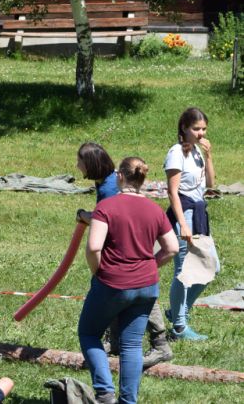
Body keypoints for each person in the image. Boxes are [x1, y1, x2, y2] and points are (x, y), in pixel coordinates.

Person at [78, 157, 179, 404]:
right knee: (132, 345)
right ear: (142, 179)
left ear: (120, 176)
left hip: (113, 284)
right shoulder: (155, 209)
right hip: (147, 286)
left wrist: (98, 271)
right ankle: (128, 401)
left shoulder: (106, 207)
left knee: (89, 333)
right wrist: (150, 265)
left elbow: (94, 247)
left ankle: (105, 394)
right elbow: (172, 248)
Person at [164, 107, 219, 341]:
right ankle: (178, 327)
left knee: (212, 267)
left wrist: (209, 156)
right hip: (184, 214)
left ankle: (178, 311)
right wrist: (182, 225)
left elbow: (211, 185)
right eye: (196, 129)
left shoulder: (197, 152)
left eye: (204, 129)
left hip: (198, 214)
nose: (201, 133)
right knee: (183, 271)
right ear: (184, 128)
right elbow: (173, 192)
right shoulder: (176, 153)